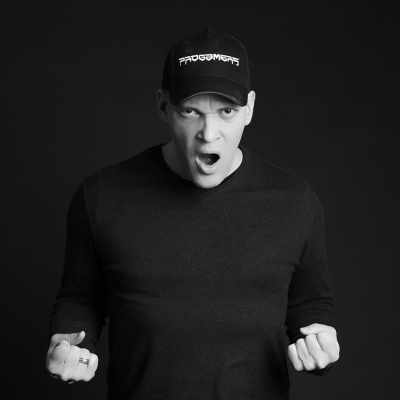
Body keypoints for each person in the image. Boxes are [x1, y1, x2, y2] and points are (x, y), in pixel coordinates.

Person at [46, 29, 340, 399]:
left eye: (227, 111)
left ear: (249, 108)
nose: (208, 133)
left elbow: (310, 304)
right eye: (190, 111)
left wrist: (321, 341)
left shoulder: (294, 201)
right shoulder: (102, 196)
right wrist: (66, 344)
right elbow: (80, 299)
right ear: (163, 106)